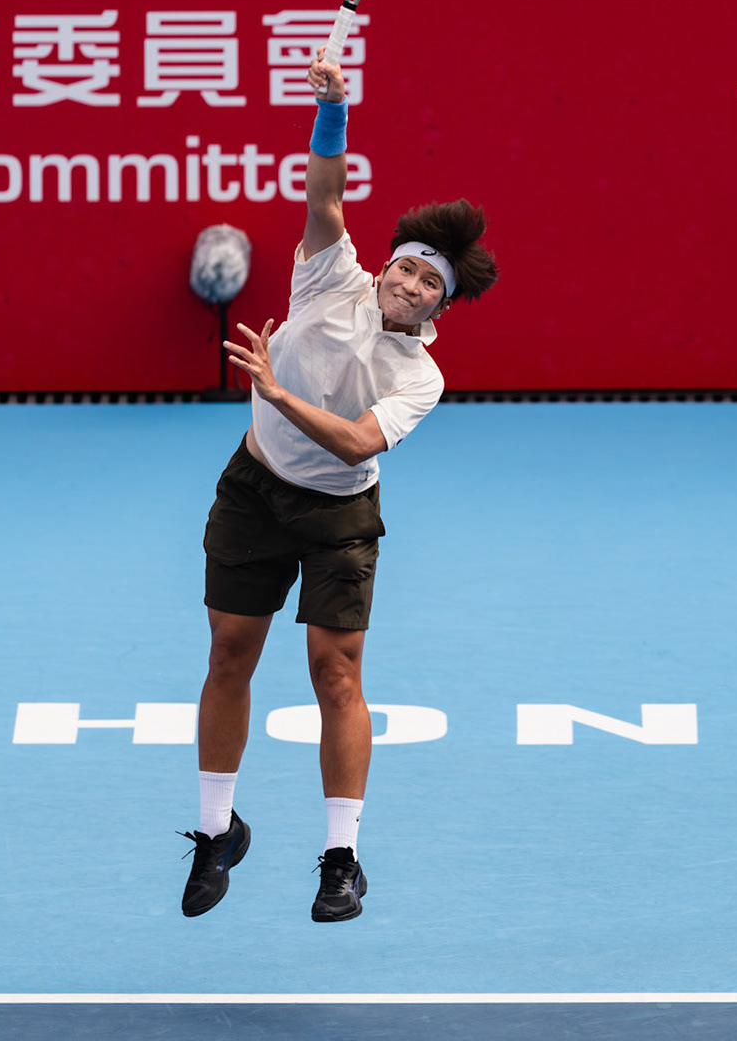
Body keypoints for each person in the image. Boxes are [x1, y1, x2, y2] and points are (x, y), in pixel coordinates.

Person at [178, 51, 498, 922]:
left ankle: (341, 858)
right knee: (229, 653)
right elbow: (325, 195)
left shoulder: (421, 379)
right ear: (387, 265)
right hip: (255, 487)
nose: (412, 282)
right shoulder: (330, 273)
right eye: (408, 266)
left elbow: (359, 440)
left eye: (431, 283)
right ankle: (216, 834)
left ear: (439, 308)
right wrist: (333, 110)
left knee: (336, 675)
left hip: (338, 515)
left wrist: (278, 391)